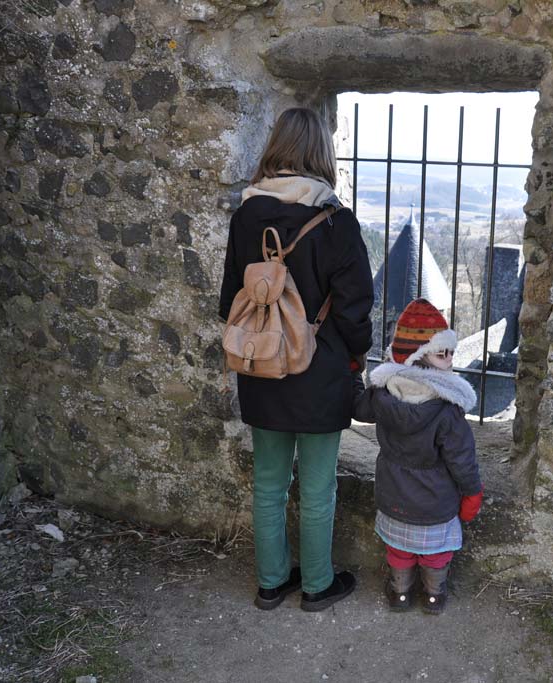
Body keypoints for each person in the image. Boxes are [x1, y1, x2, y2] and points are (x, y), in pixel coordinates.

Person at [218, 107, 373, 612]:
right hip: (320, 370)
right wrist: (357, 354)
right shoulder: (336, 222)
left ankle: (270, 583)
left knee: (269, 483)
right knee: (318, 486)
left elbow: (229, 302)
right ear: (322, 154)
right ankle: (317, 585)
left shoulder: (246, 216)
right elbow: (354, 307)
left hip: (260, 362)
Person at [354, 298, 483, 614]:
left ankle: (400, 593)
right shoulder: (447, 410)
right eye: (442, 353)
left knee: (399, 549)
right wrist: (472, 492)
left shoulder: (382, 395)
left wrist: (357, 375)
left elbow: (358, 409)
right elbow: (462, 459)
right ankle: (433, 596)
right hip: (435, 501)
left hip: (393, 495)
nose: (450, 358)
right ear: (417, 356)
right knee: (435, 553)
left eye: (450, 352)